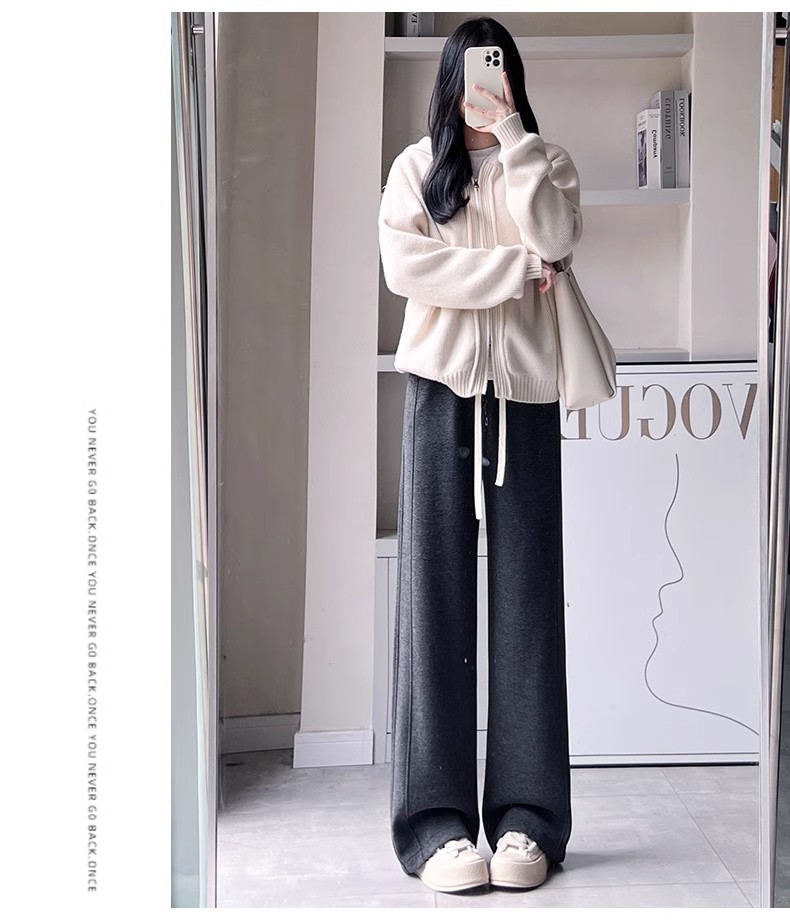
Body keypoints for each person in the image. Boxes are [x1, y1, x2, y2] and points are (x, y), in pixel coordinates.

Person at [378, 16, 583, 895]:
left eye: (495, 70)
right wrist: (511, 272)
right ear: (450, 78)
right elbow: (406, 269)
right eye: (470, 71)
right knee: (434, 602)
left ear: (512, 76)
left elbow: (558, 239)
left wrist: (515, 139)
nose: (483, 84)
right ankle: (436, 827)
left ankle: (529, 819)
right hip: (439, 396)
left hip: (524, 401)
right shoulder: (415, 170)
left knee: (529, 604)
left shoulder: (548, 161)